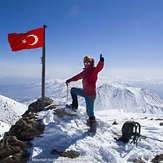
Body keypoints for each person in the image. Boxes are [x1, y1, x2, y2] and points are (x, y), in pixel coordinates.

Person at [66, 54, 104, 132]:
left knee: (90, 112)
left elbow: (99, 68)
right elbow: (77, 77)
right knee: (73, 90)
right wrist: (69, 80)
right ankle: (74, 106)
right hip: (84, 92)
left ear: (91, 63)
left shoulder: (94, 70)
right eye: (85, 63)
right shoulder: (84, 72)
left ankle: (93, 129)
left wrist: (101, 62)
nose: (87, 64)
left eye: (88, 63)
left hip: (90, 95)